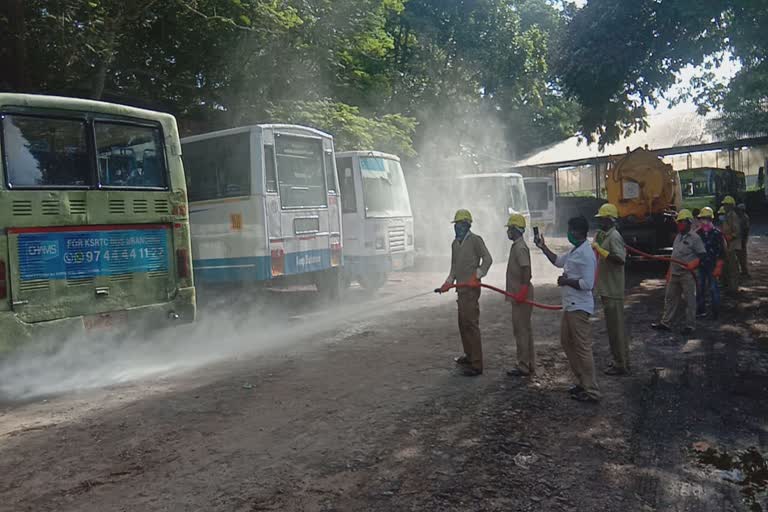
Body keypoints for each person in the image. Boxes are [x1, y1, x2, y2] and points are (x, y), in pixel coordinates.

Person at [536, 217, 600, 403]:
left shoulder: (586, 254)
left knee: (582, 348)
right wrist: (543, 247)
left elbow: (588, 284)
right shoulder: (575, 250)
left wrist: (566, 281)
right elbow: (557, 261)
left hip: (579, 307)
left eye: (571, 230)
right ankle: (582, 382)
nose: (568, 233)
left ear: (579, 232)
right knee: (566, 342)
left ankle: (592, 390)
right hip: (570, 306)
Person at [439, 209, 493, 376]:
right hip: (461, 290)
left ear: (467, 225)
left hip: (471, 289)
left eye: (460, 224)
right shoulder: (455, 244)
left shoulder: (476, 240)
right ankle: (469, 355)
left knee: (471, 324)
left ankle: (477, 364)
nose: (457, 228)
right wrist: (448, 283)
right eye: (455, 225)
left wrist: (477, 276)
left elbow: (488, 259)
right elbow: (454, 267)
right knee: (462, 324)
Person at [652, 209, 707, 335]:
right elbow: (674, 256)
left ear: (688, 222)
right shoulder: (678, 236)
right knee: (670, 298)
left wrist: (695, 263)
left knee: (689, 300)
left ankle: (690, 326)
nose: (679, 224)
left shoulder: (695, 238)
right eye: (678, 222)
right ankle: (666, 323)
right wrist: (669, 272)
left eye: (682, 222)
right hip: (675, 273)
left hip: (688, 274)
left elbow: (703, 256)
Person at [592, 204, 629, 376]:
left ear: (609, 219)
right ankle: (619, 361)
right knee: (613, 330)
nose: (599, 221)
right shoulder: (607, 235)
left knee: (616, 330)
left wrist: (602, 251)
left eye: (601, 219)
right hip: (608, 289)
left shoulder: (614, 236)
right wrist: (598, 241)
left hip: (613, 290)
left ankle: (621, 364)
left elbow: (620, 259)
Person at [504, 213, 534, 377]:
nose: (507, 231)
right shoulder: (517, 245)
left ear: (515, 230)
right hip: (519, 294)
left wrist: (523, 290)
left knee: (521, 330)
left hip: (521, 295)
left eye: (509, 228)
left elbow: (526, 269)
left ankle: (523, 365)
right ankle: (529, 363)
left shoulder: (520, 247)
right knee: (525, 330)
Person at [695, 207, 723, 320]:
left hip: (712, 266)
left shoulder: (717, 234)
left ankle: (715, 312)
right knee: (700, 288)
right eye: (702, 219)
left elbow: (722, 251)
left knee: (713, 288)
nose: (704, 221)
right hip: (701, 266)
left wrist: (719, 265)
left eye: (706, 219)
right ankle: (701, 310)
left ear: (711, 219)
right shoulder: (697, 234)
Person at [720, 195, 741, 294]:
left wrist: (730, 237)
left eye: (726, 205)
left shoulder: (733, 216)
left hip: (732, 245)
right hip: (728, 245)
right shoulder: (727, 216)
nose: (724, 206)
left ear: (730, 205)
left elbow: (737, 231)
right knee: (727, 267)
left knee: (733, 268)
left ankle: (734, 288)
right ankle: (729, 286)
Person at [736, 203, 751, 278]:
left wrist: (744, 240)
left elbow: (746, 229)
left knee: (742, 256)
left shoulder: (745, 217)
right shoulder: (739, 217)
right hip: (739, 239)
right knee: (739, 256)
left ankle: (745, 272)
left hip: (742, 239)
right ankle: (743, 271)